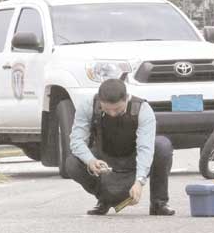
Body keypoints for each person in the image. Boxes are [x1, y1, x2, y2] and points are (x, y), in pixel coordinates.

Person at [66, 79, 175, 216]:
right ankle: (105, 198)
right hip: (104, 160)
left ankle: (159, 203)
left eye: (117, 109)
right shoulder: (88, 105)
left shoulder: (142, 109)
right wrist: (91, 160)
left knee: (162, 145)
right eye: (107, 109)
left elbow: (145, 148)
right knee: (72, 163)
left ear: (126, 98)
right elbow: (76, 140)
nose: (112, 113)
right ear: (100, 100)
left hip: (133, 159)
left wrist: (139, 181)